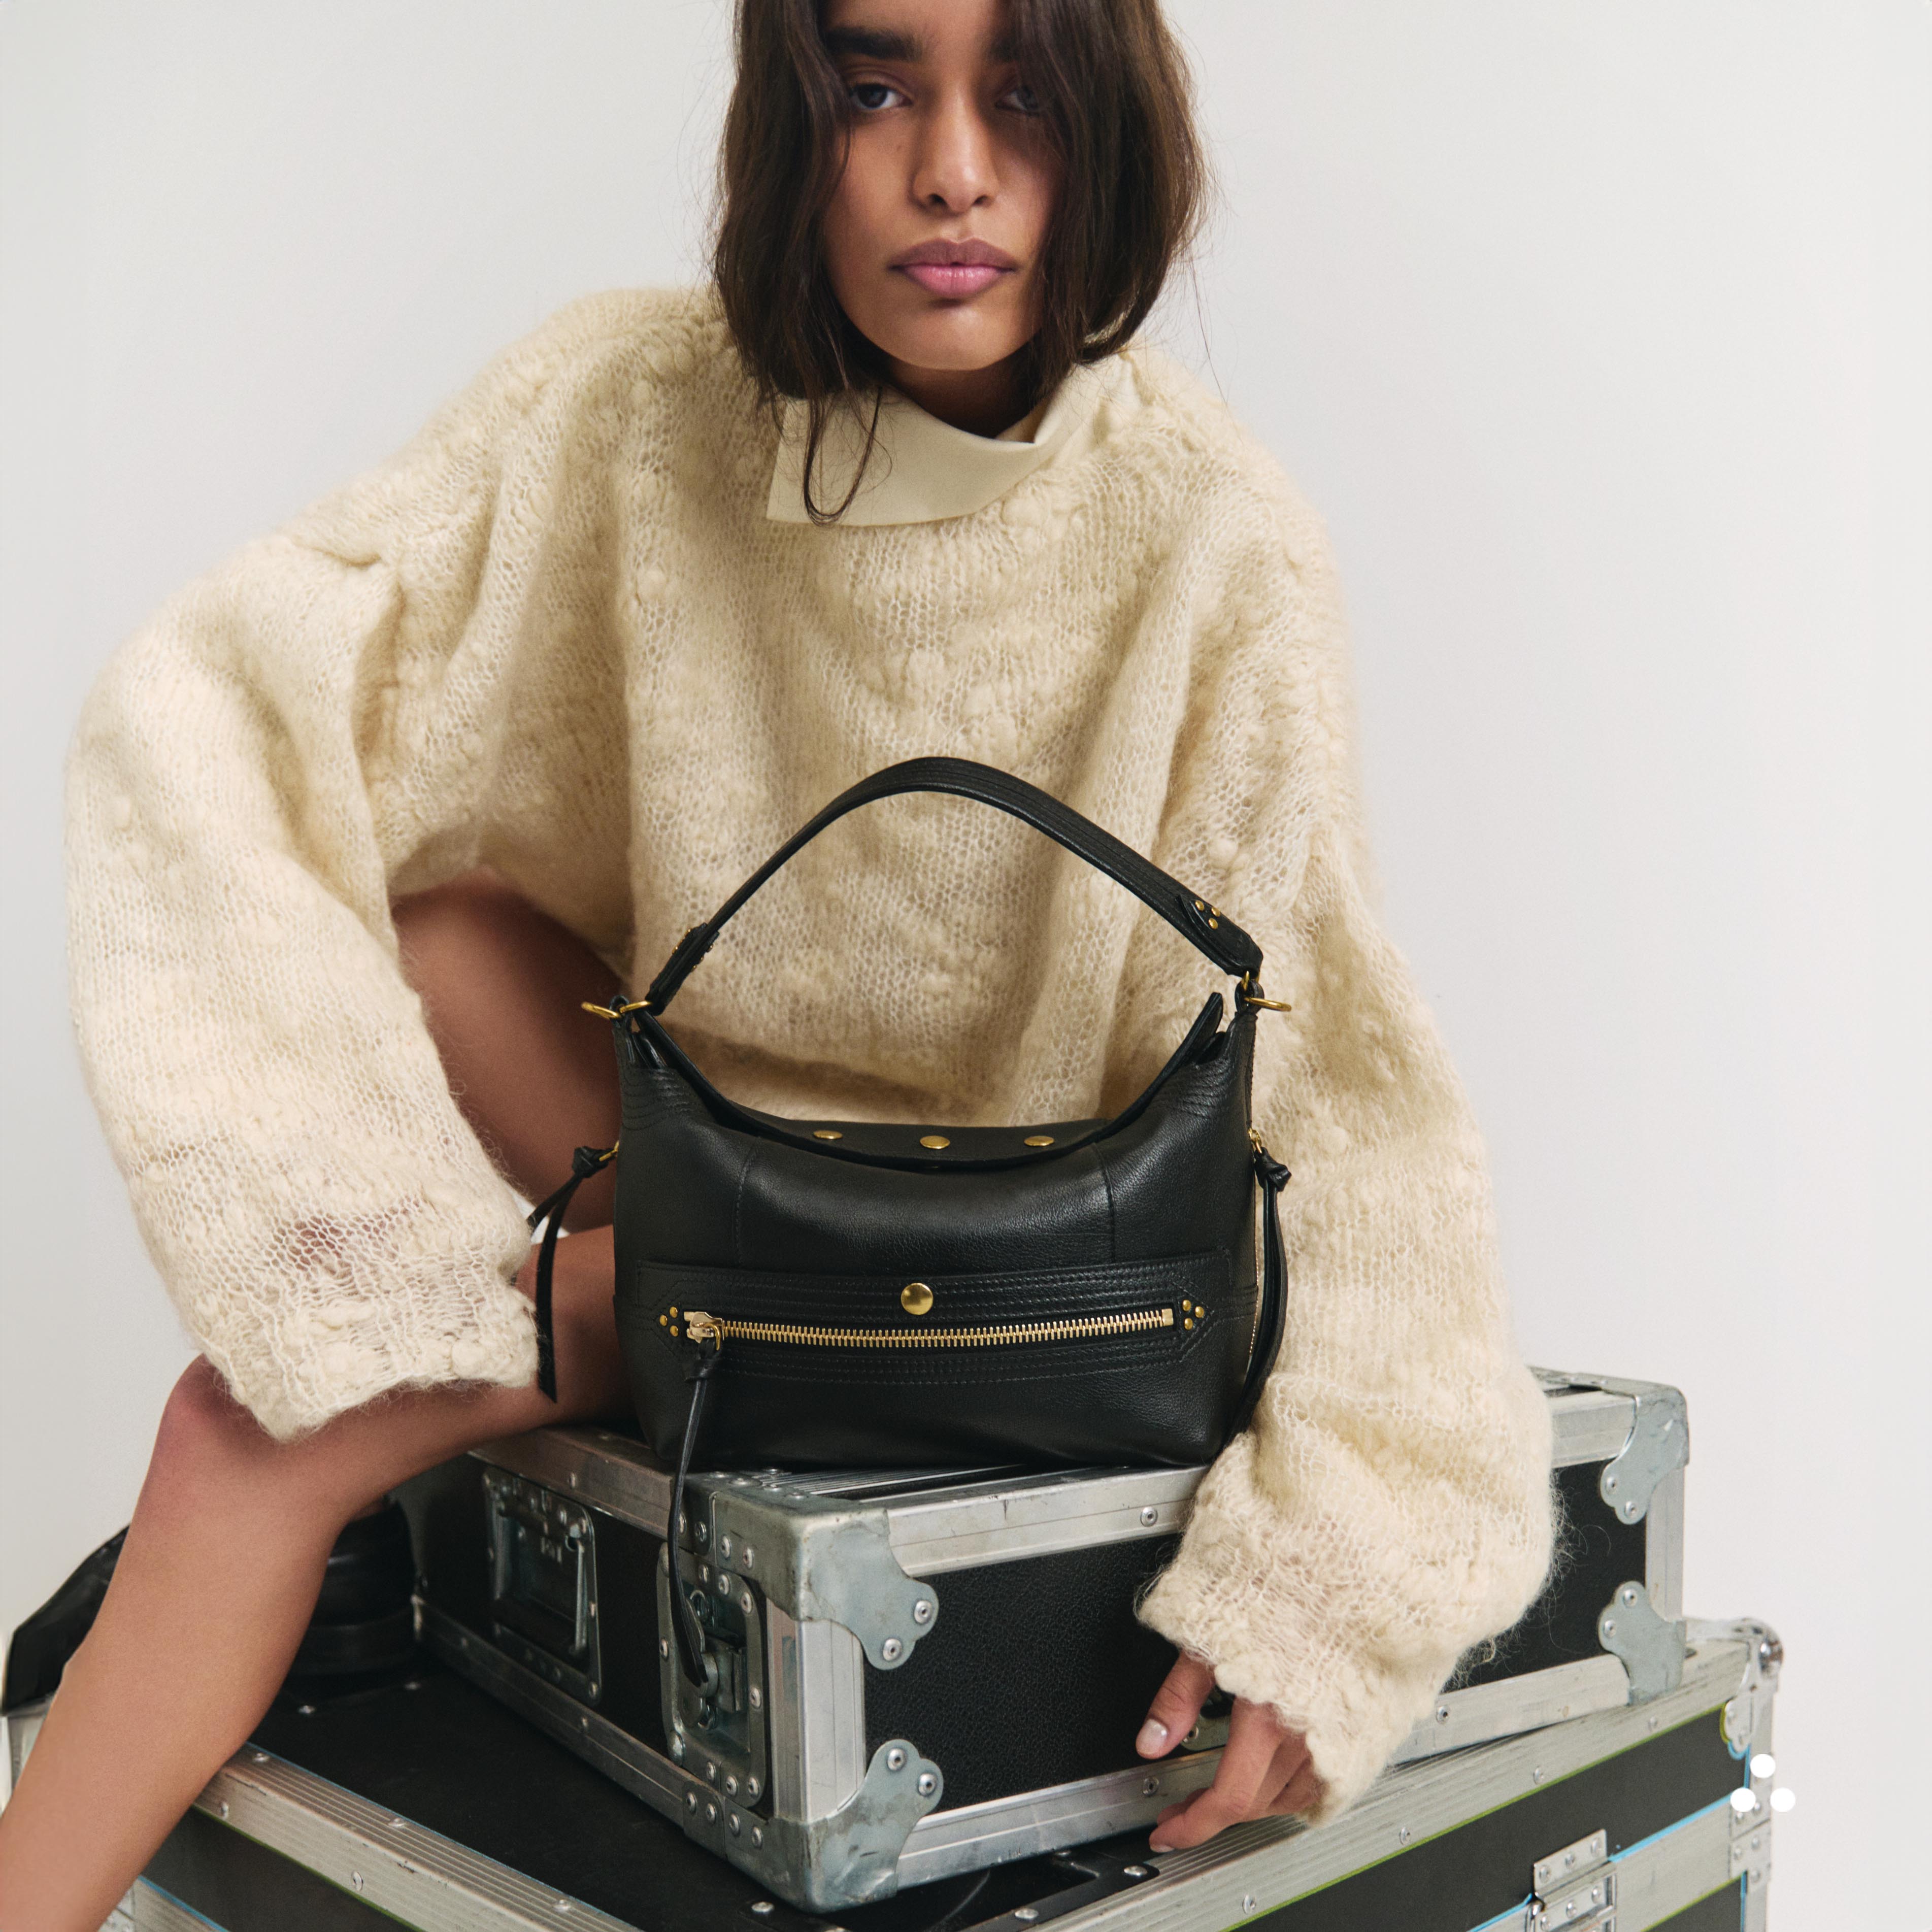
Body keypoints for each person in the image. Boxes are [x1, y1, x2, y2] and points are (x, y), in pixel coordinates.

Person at [0, 0, 1554, 1923]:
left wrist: (1333, 1592)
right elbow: (230, 699)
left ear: (1114, 131)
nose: (953, 173)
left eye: (1026, 99)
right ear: (790, 125)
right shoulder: (632, 411)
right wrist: (352, 1258)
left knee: (234, 1439)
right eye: (877, 87)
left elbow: (1347, 1098)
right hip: (726, 1195)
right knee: (434, 920)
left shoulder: (1217, 537)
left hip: (1012, 1280)